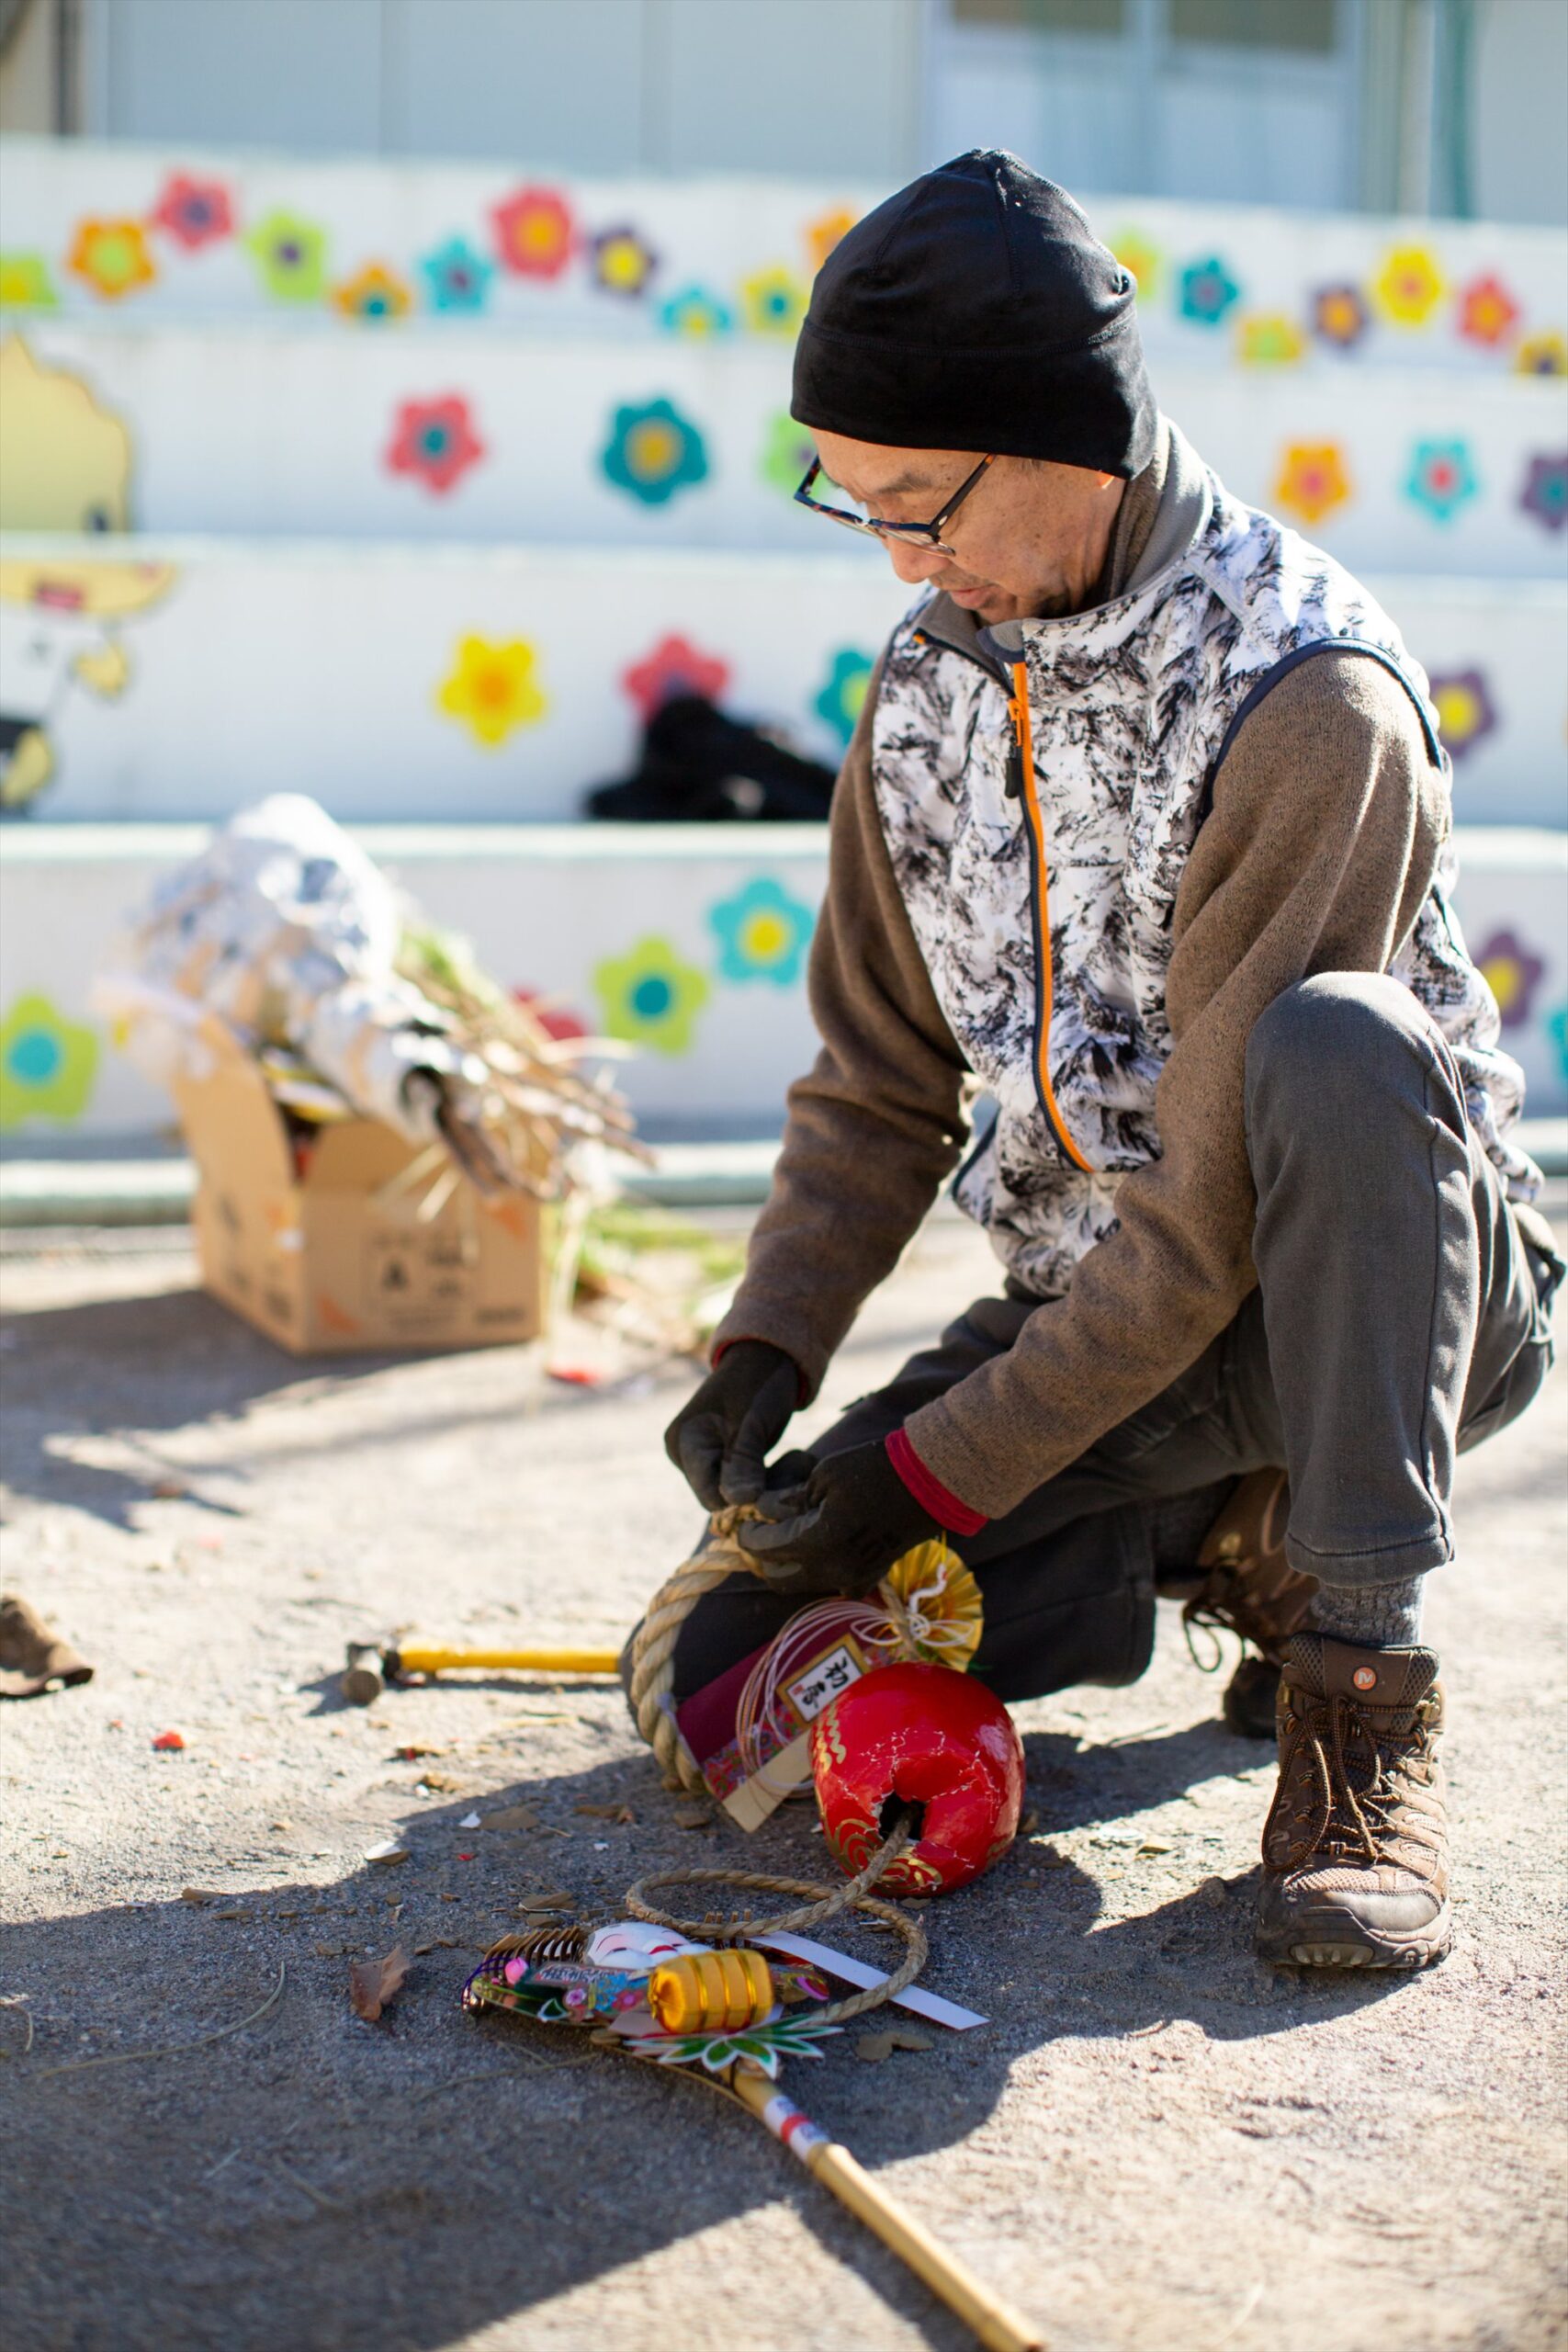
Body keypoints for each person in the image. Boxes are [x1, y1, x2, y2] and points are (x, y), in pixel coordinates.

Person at [657, 153, 1561, 1971]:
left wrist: (916, 1475)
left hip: (1377, 1289)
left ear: (1072, 442)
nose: (904, 564)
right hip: (1105, 1311)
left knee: (1337, 1042)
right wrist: (768, 1352)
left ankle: (1354, 1684)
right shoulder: (924, 685)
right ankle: (1226, 1528)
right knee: (727, 1673)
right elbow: (873, 1077)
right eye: (861, 512)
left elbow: (1208, 1216)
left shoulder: (1307, 692)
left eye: (923, 506)